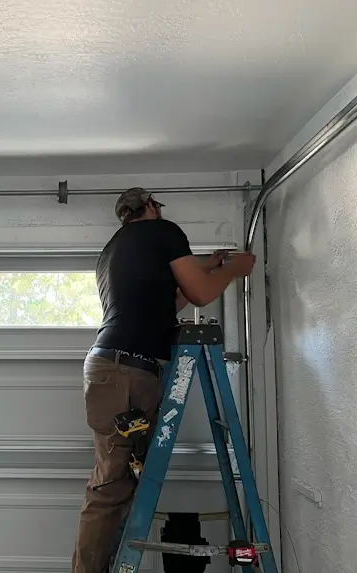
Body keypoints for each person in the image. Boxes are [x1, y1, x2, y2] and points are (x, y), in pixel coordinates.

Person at [70, 187, 257, 573]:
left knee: (116, 480)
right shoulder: (164, 231)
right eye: (158, 206)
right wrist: (233, 271)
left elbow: (164, 303)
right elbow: (201, 294)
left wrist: (208, 264)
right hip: (128, 372)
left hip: (111, 368)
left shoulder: (112, 250)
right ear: (151, 205)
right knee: (109, 487)